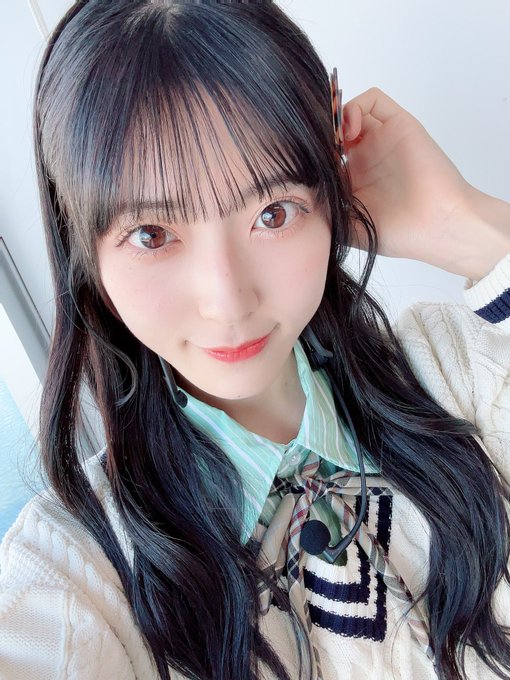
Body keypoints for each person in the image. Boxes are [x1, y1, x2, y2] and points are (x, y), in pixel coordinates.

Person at [0, 1, 509, 679]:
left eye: (273, 213)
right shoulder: (72, 574)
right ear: (85, 251)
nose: (229, 300)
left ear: (328, 197)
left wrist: (467, 226)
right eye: (153, 235)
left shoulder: (454, 369)